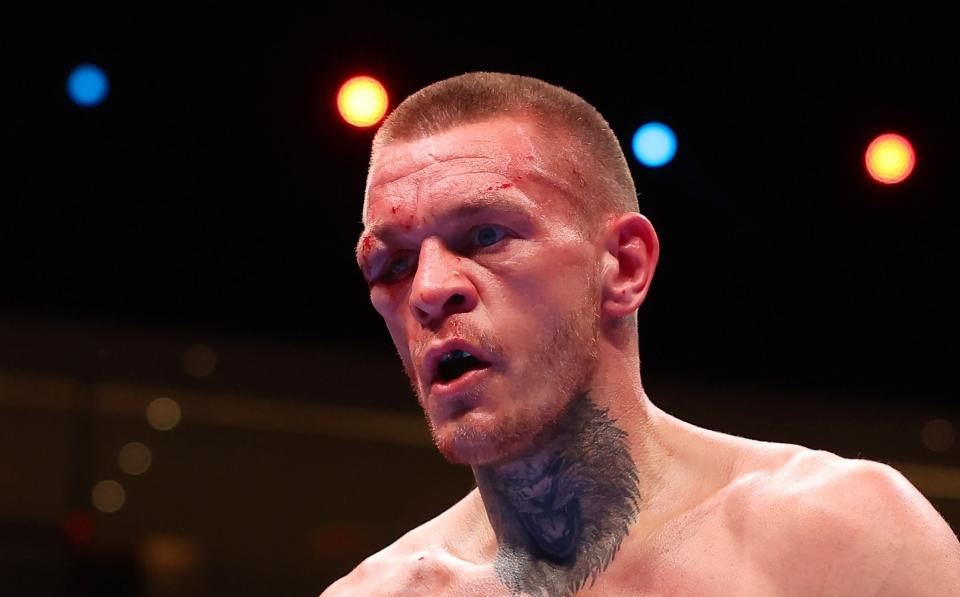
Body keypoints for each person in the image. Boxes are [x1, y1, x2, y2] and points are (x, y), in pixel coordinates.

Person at [323, 72, 960, 596]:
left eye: (486, 235)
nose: (429, 290)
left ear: (624, 265)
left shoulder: (837, 539)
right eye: (394, 264)